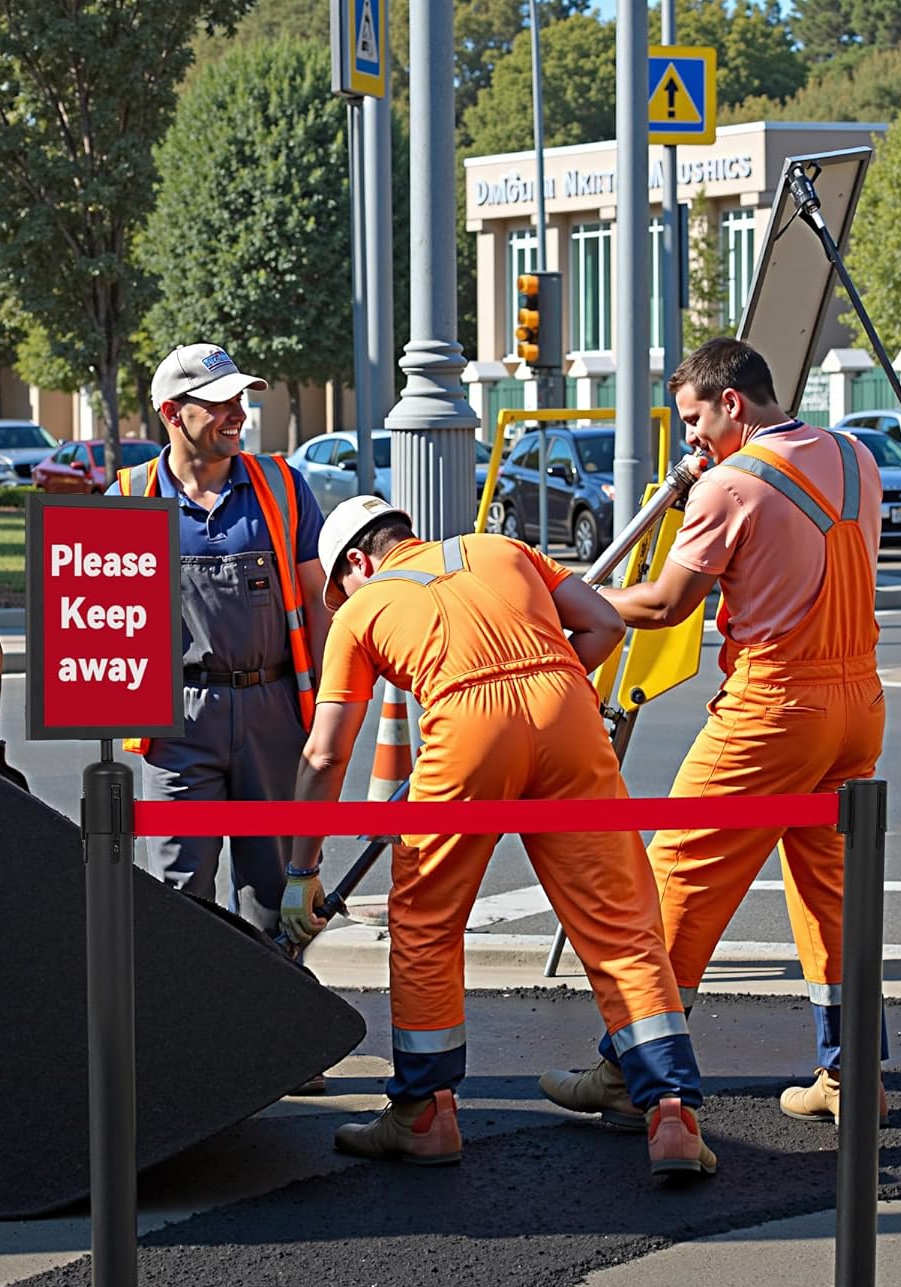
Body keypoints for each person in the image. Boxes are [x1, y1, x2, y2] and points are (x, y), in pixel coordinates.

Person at [278, 495, 715, 1178]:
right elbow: (605, 624)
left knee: (426, 920)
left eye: (341, 589)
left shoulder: (361, 612)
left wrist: (301, 872)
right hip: (566, 712)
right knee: (620, 920)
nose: (343, 602)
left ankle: (424, 1116)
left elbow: (326, 753)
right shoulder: (500, 548)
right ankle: (671, 1113)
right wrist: (545, 684)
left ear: (356, 562)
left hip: (465, 730)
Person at [571, 336, 887, 1124]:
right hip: (857, 704)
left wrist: (570, 601)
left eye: (693, 420)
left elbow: (666, 603)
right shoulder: (856, 458)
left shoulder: (731, 486)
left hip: (773, 710)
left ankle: (631, 1072)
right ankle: (852, 1080)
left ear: (732, 404)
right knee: (834, 892)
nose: (691, 438)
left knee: (679, 875)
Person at [108, 343, 330, 941]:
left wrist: (327, 706)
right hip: (176, 724)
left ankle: (273, 1002)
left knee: (273, 898)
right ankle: (187, 1005)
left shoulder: (282, 487)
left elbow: (317, 599)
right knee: (178, 898)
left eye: (239, 399)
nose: (237, 413)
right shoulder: (127, 498)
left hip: (273, 714)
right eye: (218, 403)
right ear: (171, 413)